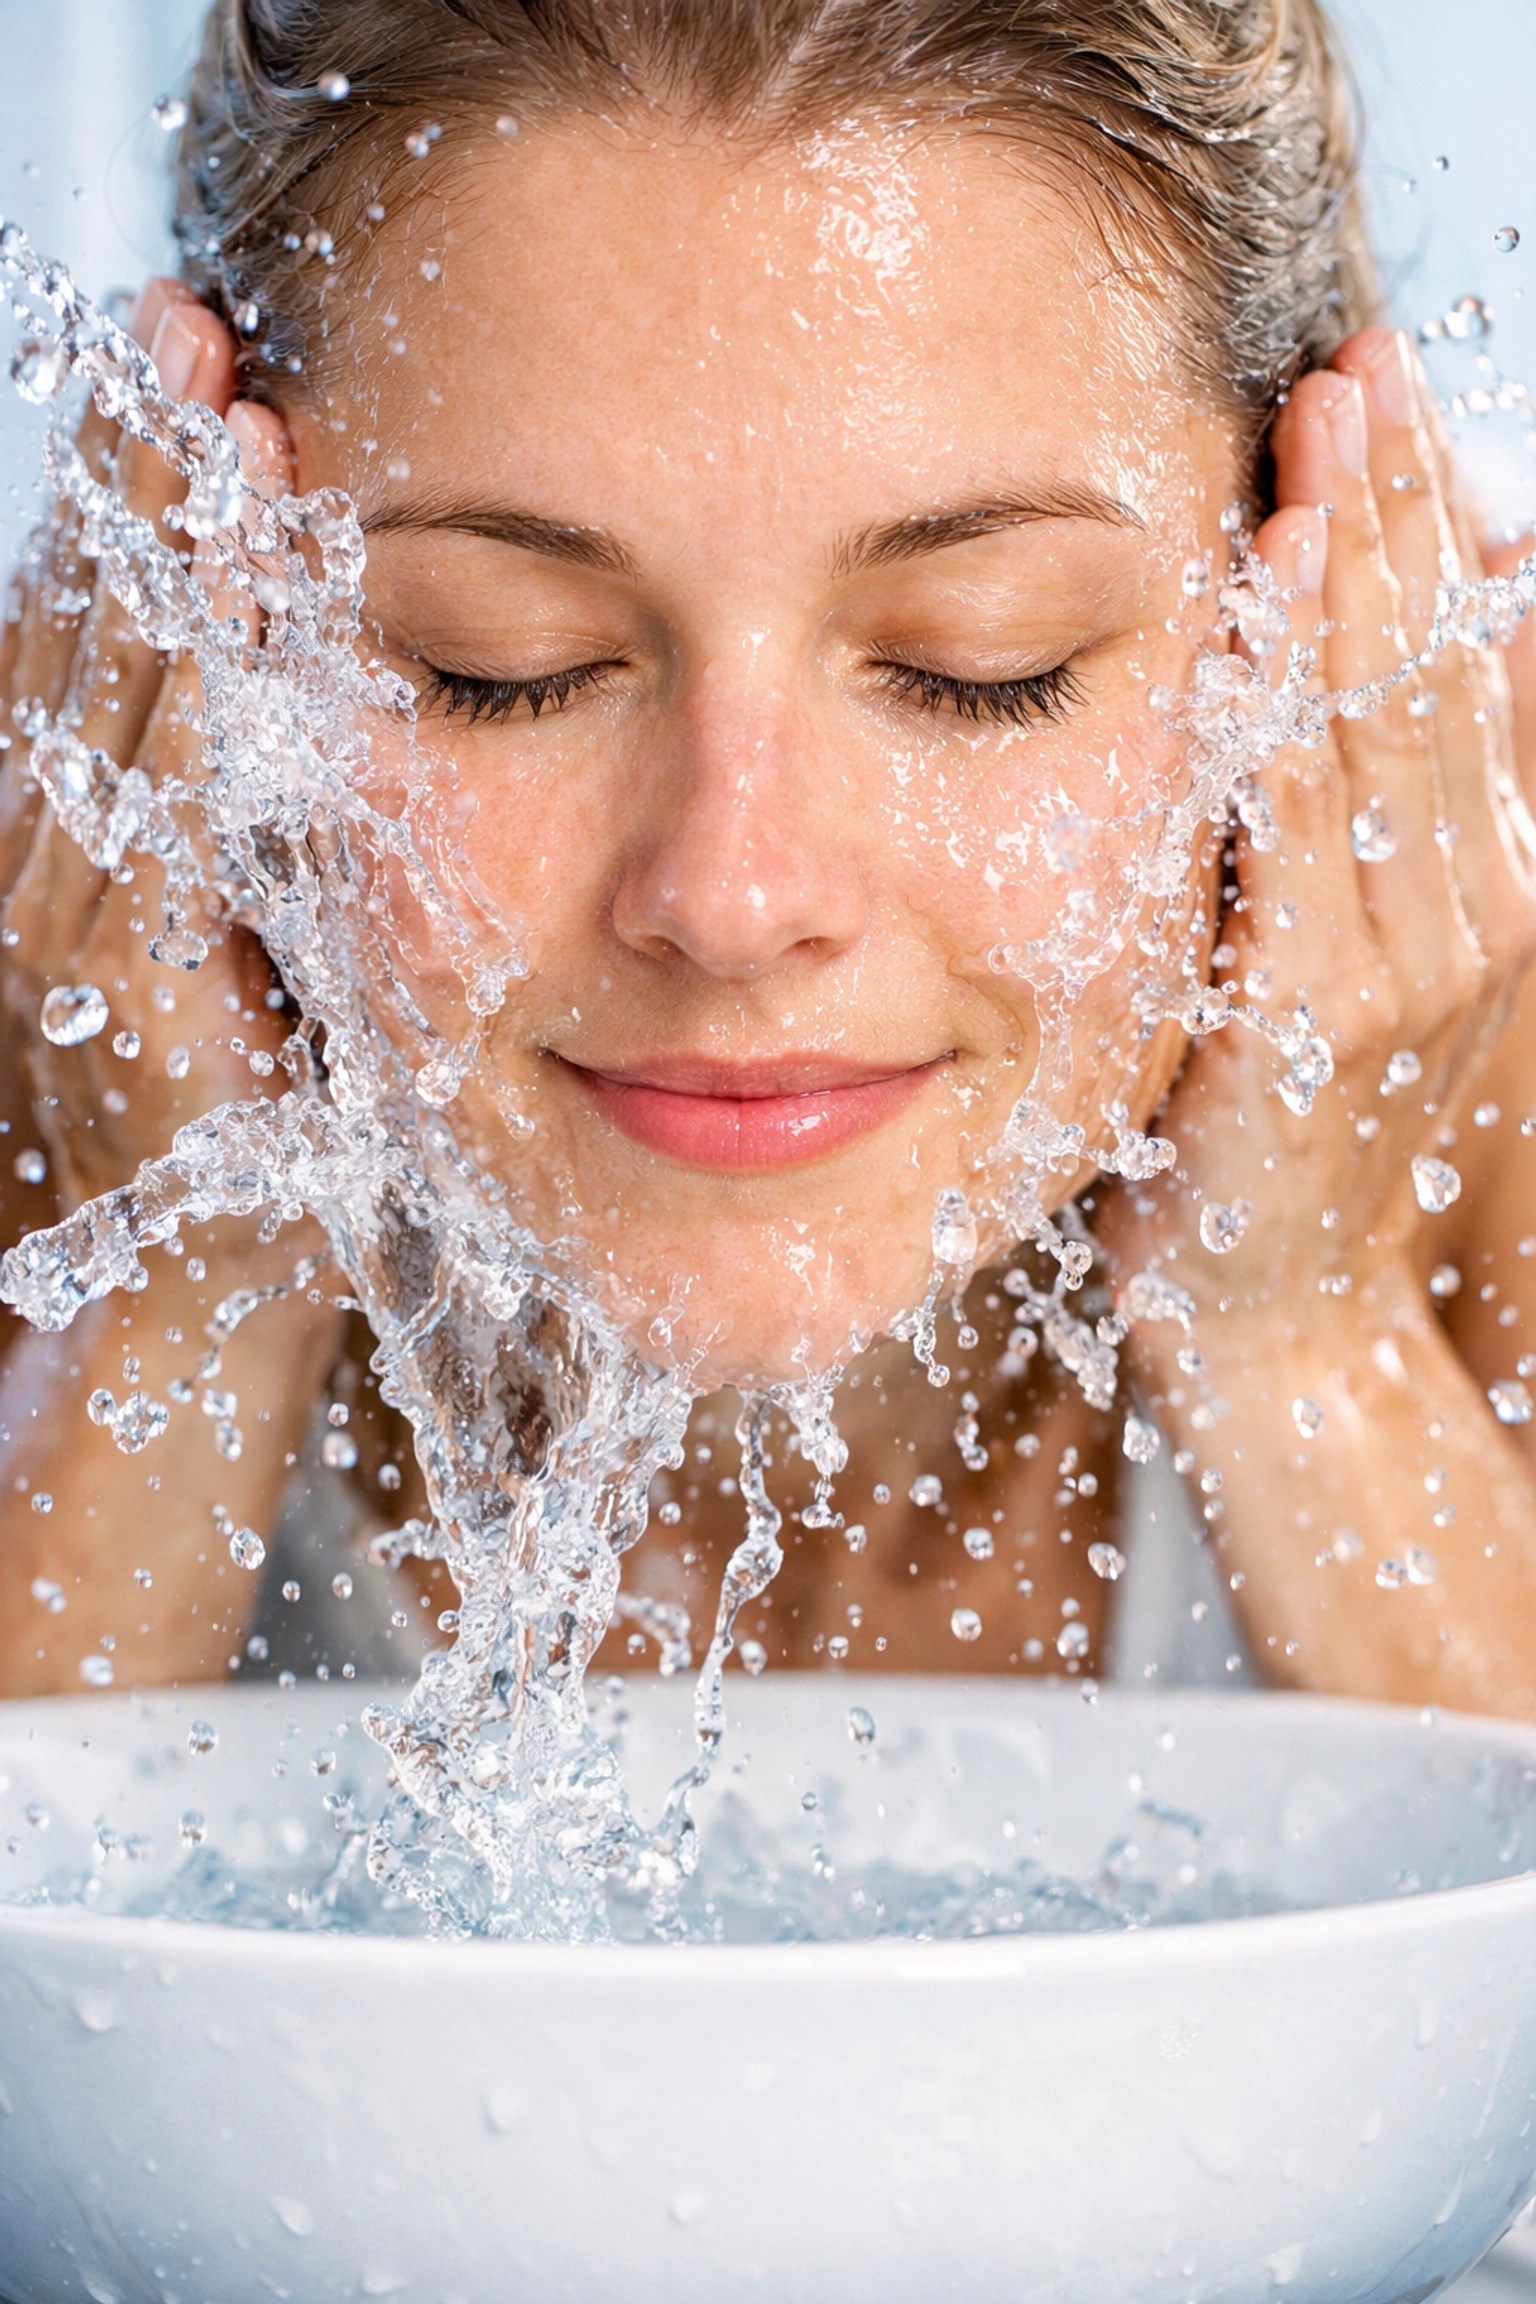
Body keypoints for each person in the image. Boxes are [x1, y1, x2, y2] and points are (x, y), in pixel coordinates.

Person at [0, 0, 1533, 1711]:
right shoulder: (60, 923)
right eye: (504, 666)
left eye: (981, 665)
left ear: (1309, 614)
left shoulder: (1501, 927)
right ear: (213, 597)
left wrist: (1300, 1325)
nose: (731, 901)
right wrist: (178, 1294)